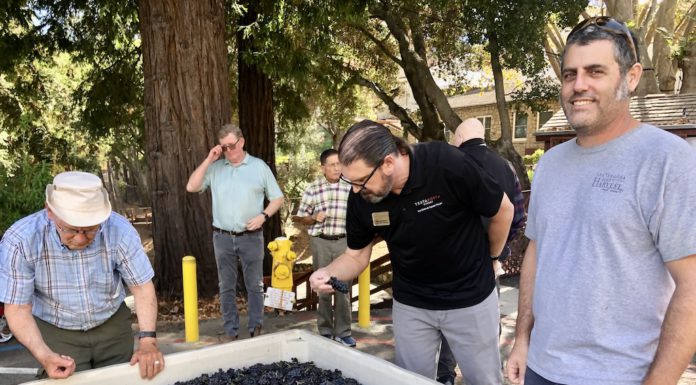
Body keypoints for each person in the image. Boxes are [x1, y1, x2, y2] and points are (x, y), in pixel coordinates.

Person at [505, 17, 696, 385]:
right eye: (569, 74)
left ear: (632, 76)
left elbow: (691, 285)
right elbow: (537, 252)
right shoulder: (550, 164)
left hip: (620, 376)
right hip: (541, 369)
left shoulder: (666, 160)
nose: (579, 86)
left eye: (595, 71)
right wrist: (522, 339)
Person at [309, 120, 514, 384]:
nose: (357, 190)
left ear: (388, 163)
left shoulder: (446, 163)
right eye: (352, 182)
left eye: (362, 181)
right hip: (412, 304)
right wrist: (328, 272)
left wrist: (492, 258)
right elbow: (355, 255)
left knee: (484, 380)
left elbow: (503, 210)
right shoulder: (362, 197)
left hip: (470, 297)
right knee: (410, 381)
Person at [0, 171, 164, 380]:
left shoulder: (119, 229)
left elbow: (141, 287)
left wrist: (148, 341)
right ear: (49, 211)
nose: (79, 239)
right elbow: (17, 308)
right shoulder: (20, 241)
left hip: (112, 324)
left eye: (89, 230)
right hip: (56, 329)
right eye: (70, 229)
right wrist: (45, 356)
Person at [436, 118, 528, 384]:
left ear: (460, 138)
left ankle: (445, 374)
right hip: (490, 260)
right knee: (487, 319)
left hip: (452, 259)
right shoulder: (506, 167)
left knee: (448, 320)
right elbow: (518, 216)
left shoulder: (448, 164)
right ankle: (487, 374)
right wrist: (498, 250)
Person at [186, 123, 284, 341]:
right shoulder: (215, 168)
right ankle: (231, 331)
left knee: (255, 285)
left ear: (241, 142)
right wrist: (209, 159)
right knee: (226, 286)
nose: (228, 151)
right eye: (223, 147)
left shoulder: (259, 167)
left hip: (251, 237)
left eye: (231, 146)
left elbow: (277, 198)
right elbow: (191, 187)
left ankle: (255, 327)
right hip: (222, 236)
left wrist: (263, 216)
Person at [293, 149, 356, 347]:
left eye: (339, 164)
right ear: (323, 167)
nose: (337, 168)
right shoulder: (313, 189)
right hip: (320, 242)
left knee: (343, 289)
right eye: (332, 164)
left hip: (344, 242)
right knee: (324, 287)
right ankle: (326, 330)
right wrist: (313, 218)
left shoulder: (351, 187)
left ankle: (343, 332)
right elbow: (300, 218)